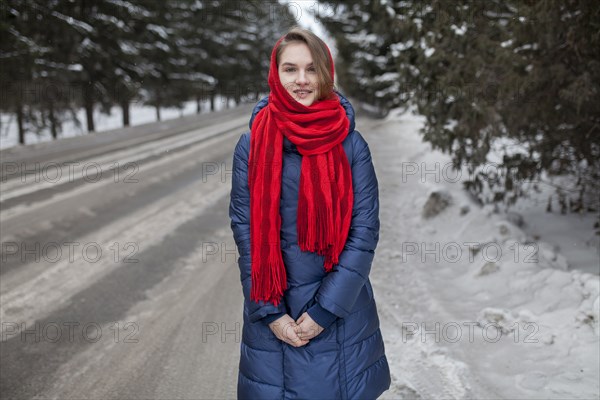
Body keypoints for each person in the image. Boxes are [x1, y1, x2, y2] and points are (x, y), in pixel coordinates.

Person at [229, 26, 391, 400]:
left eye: (311, 69)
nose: (301, 80)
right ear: (276, 74)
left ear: (325, 73)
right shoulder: (251, 144)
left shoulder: (350, 143)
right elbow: (246, 232)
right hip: (274, 318)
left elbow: (363, 232)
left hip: (341, 315)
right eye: (290, 69)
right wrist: (270, 313)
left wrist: (324, 312)